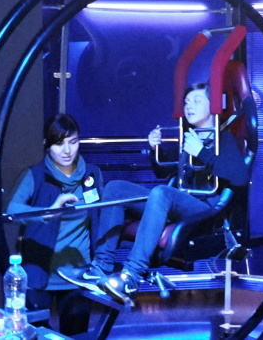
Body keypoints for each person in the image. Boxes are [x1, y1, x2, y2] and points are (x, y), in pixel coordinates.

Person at [61, 83, 250, 304]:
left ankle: (131, 276)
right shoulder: (189, 137)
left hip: (206, 210)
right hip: (182, 202)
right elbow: (169, 172)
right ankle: (100, 267)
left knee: (161, 193)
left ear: (213, 106)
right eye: (187, 102)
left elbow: (240, 177)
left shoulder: (223, 139)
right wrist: (155, 150)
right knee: (115, 188)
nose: (189, 106)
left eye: (197, 101)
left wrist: (202, 152)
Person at [5, 113, 103, 336]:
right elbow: (11, 210)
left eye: (73, 142)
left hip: (79, 275)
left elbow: (102, 216)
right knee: (35, 335)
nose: (67, 151)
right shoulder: (35, 175)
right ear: (47, 146)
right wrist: (49, 211)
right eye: (59, 144)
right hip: (40, 274)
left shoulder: (93, 174)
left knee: (76, 335)